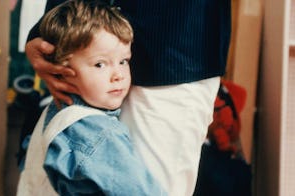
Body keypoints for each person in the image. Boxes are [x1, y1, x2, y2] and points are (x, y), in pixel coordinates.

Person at [26, 0, 231, 195]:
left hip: (172, 49)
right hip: (82, 48)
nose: (118, 75)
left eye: (124, 62)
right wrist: (47, 32)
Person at [19, 0, 165, 195]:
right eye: (100, 64)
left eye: (123, 61)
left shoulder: (53, 114)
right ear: (62, 69)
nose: (118, 75)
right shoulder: (100, 133)